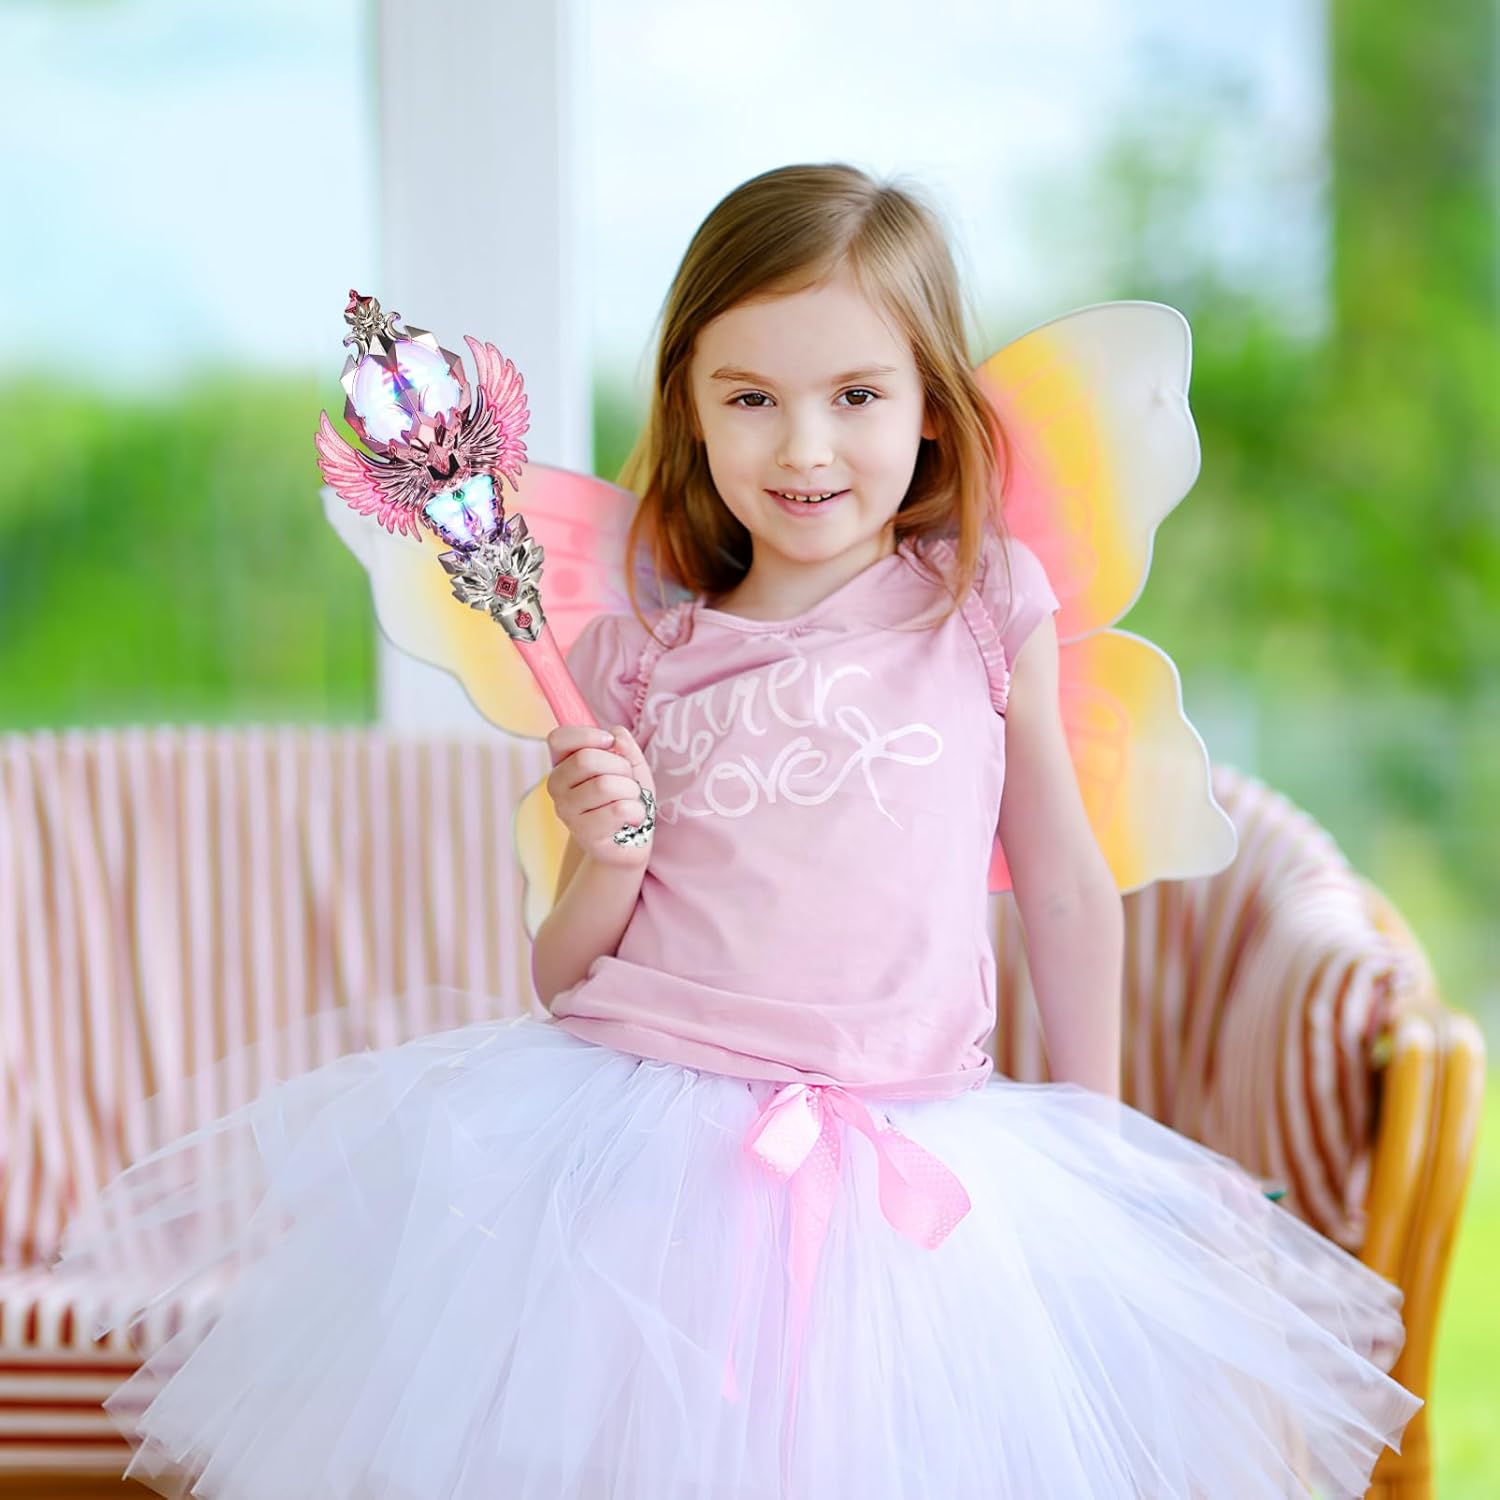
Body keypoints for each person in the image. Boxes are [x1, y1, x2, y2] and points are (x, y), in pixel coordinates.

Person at [59, 163, 1419, 1500]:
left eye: (856, 396)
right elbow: (562, 977)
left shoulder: (981, 609)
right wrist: (613, 852)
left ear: (932, 411)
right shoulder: (635, 663)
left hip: (912, 1140)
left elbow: (1063, 884)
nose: (805, 446)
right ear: (692, 411)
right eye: (752, 398)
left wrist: (1097, 1130)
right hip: (649, 1158)